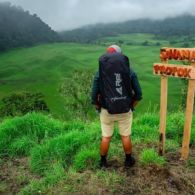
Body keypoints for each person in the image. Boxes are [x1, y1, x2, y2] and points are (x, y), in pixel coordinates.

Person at [91, 45, 142, 168]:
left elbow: (93, 95)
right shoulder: (130, 71)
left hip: (106, 110)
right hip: (125, 110)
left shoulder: (100, 73)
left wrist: (98, 106)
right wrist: (131, 106)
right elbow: (139, 94)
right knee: (125, 136)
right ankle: (128, 161)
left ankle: (103, 163)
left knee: (106, 137)